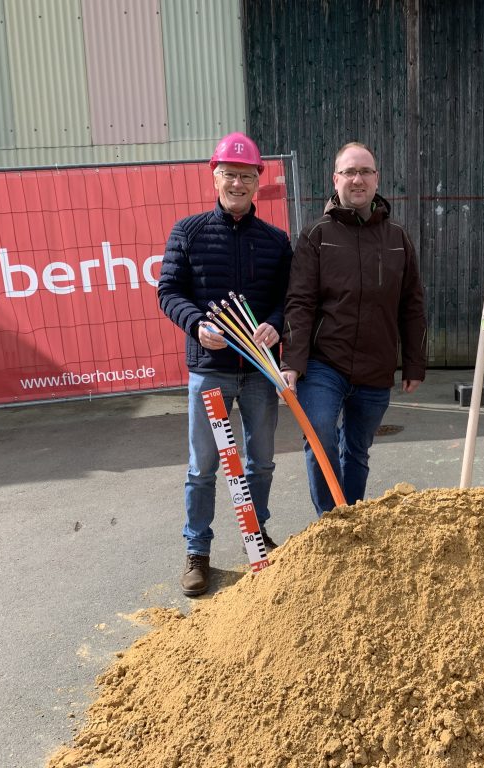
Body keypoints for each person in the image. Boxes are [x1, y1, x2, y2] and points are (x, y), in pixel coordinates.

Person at [158, 131, 292, 596]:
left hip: (258, 370)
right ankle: (198, 551)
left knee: (261, 462)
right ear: (215, 177)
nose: (238, 183)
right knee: (203, 467)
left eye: (247, 176)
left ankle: (257, 538)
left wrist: (274, 323)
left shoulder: (276, 241)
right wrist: (196, 325)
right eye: (230, 174)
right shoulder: (188, 232)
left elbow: (286, 298)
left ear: (259, 181)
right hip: (210, 370)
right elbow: (168, 292)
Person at [281, 141, 427, 515]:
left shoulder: (398, 239)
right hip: (324, 364)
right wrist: (293, 363)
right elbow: (299, 302)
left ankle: (354, 519)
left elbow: (412, 304)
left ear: (377, 179)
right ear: (336, 179)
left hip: (376, 367)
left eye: (365, 171)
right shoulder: (316, 236)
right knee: (320, 436)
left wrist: (413, 363)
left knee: (357, 451)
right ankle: (331, 524)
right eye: (350, 172)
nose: (357, 179)